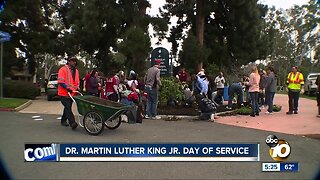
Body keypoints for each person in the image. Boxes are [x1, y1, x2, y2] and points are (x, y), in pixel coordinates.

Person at [57, 57, 79, 129]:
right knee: (68, 107)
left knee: (67, 107)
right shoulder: (63, 69)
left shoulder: (76, 71)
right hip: (63, 93)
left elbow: (76, 82)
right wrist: (67, 88)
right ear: (68, 62)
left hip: (72, 94)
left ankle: (63, 120)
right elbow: (61, 82)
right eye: (72, 61)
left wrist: (77, 88)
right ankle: (72, 122)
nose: (74, 62)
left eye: (75, 61)